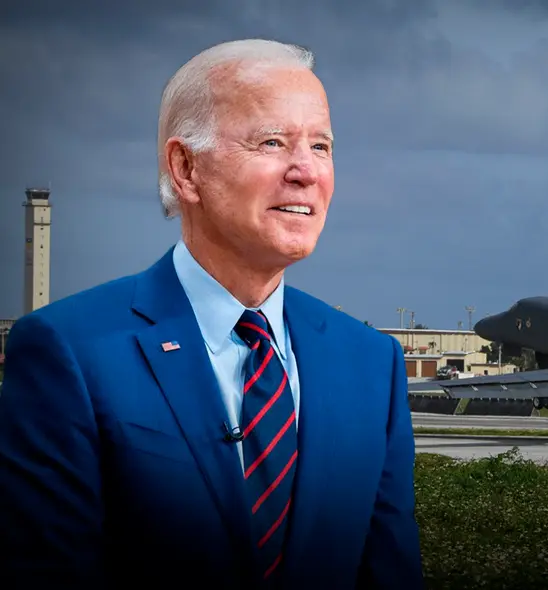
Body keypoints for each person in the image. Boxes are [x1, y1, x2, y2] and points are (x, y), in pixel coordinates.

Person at [0, 39, 424, 589]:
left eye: (321, 146)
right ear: (186, 168)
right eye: (272, 141)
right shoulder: (68, 351)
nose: (306, 171)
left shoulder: (372, 363)